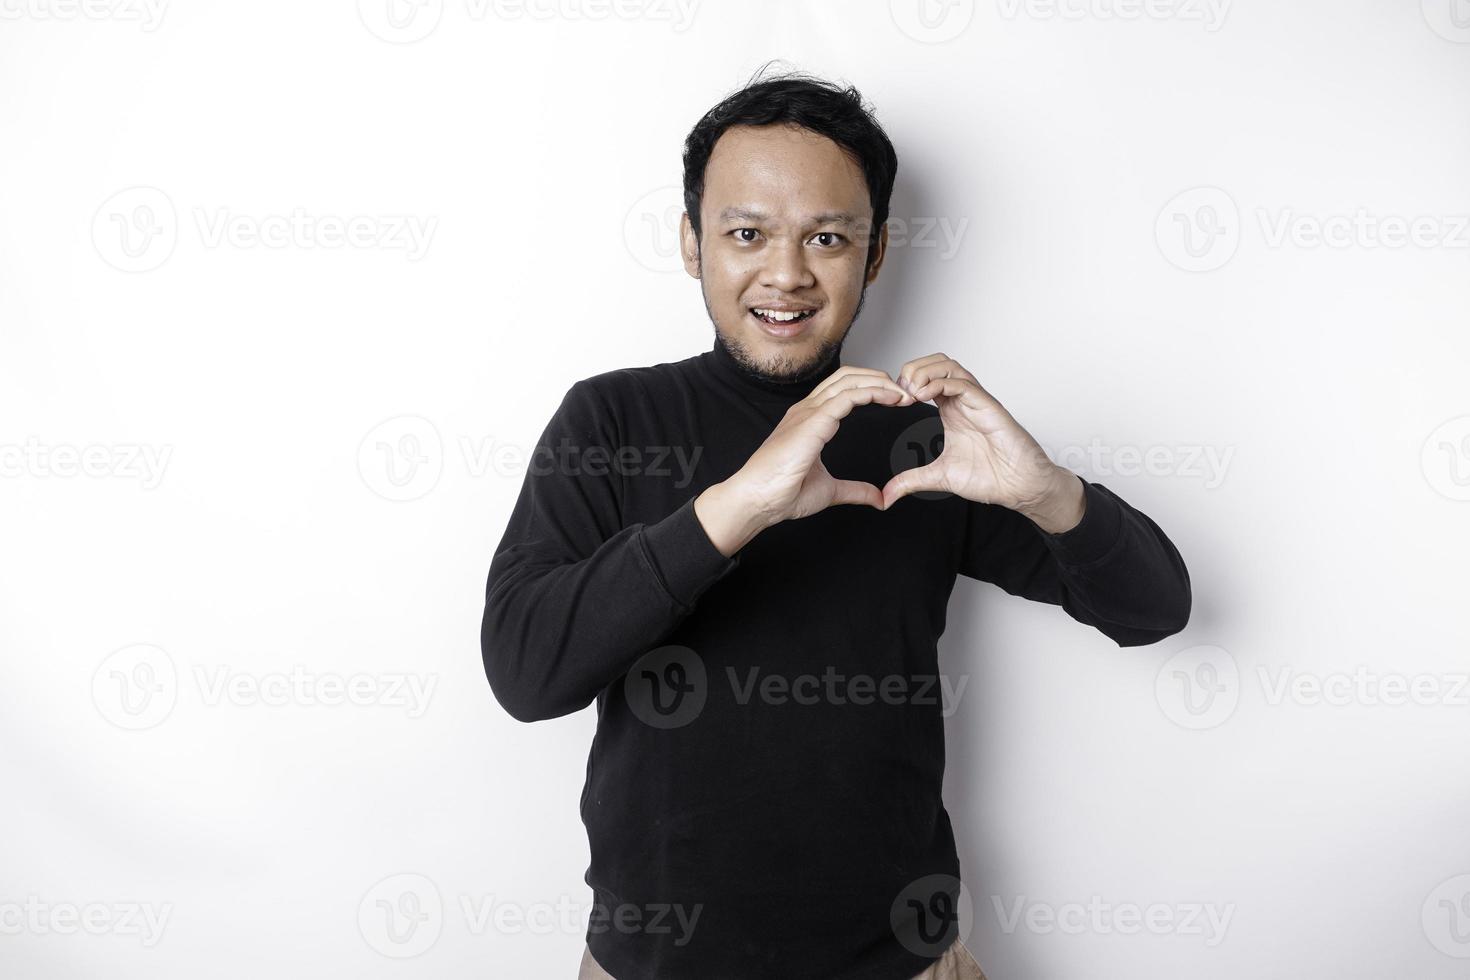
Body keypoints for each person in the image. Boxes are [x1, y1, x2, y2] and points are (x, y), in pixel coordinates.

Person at [481, 67, 1192, 980]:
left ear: (876, 253)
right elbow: (527, 673)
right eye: (747, 233)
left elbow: (1155, 610)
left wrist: (1042, 488)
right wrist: (740, 505)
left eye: (827, 237)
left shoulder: (921, 441)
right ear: (694, 244)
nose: (787, 274)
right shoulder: (613, 420)